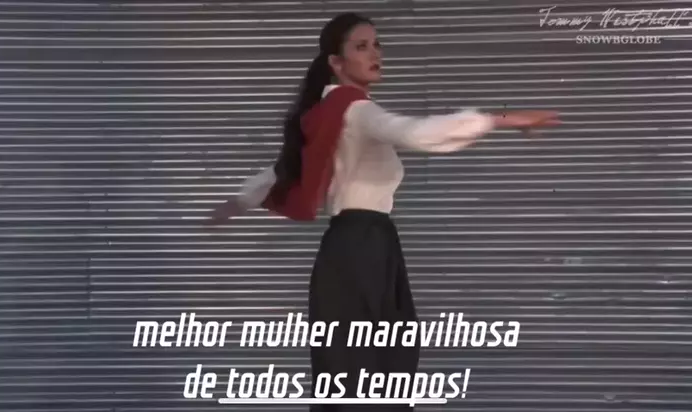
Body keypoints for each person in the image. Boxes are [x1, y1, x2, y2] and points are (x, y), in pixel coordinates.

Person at [210, 12, 559, 411]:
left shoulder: (332, 114)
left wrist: (237, 203)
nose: (375, 54)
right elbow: (414, 133)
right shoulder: (354, 110)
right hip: (361, 247)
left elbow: (282, 170)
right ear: (336, 62)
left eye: (377, 44)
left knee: (363, 368)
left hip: (363, 246)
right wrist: (500, 120)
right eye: (361, 46)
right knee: (369, 371)